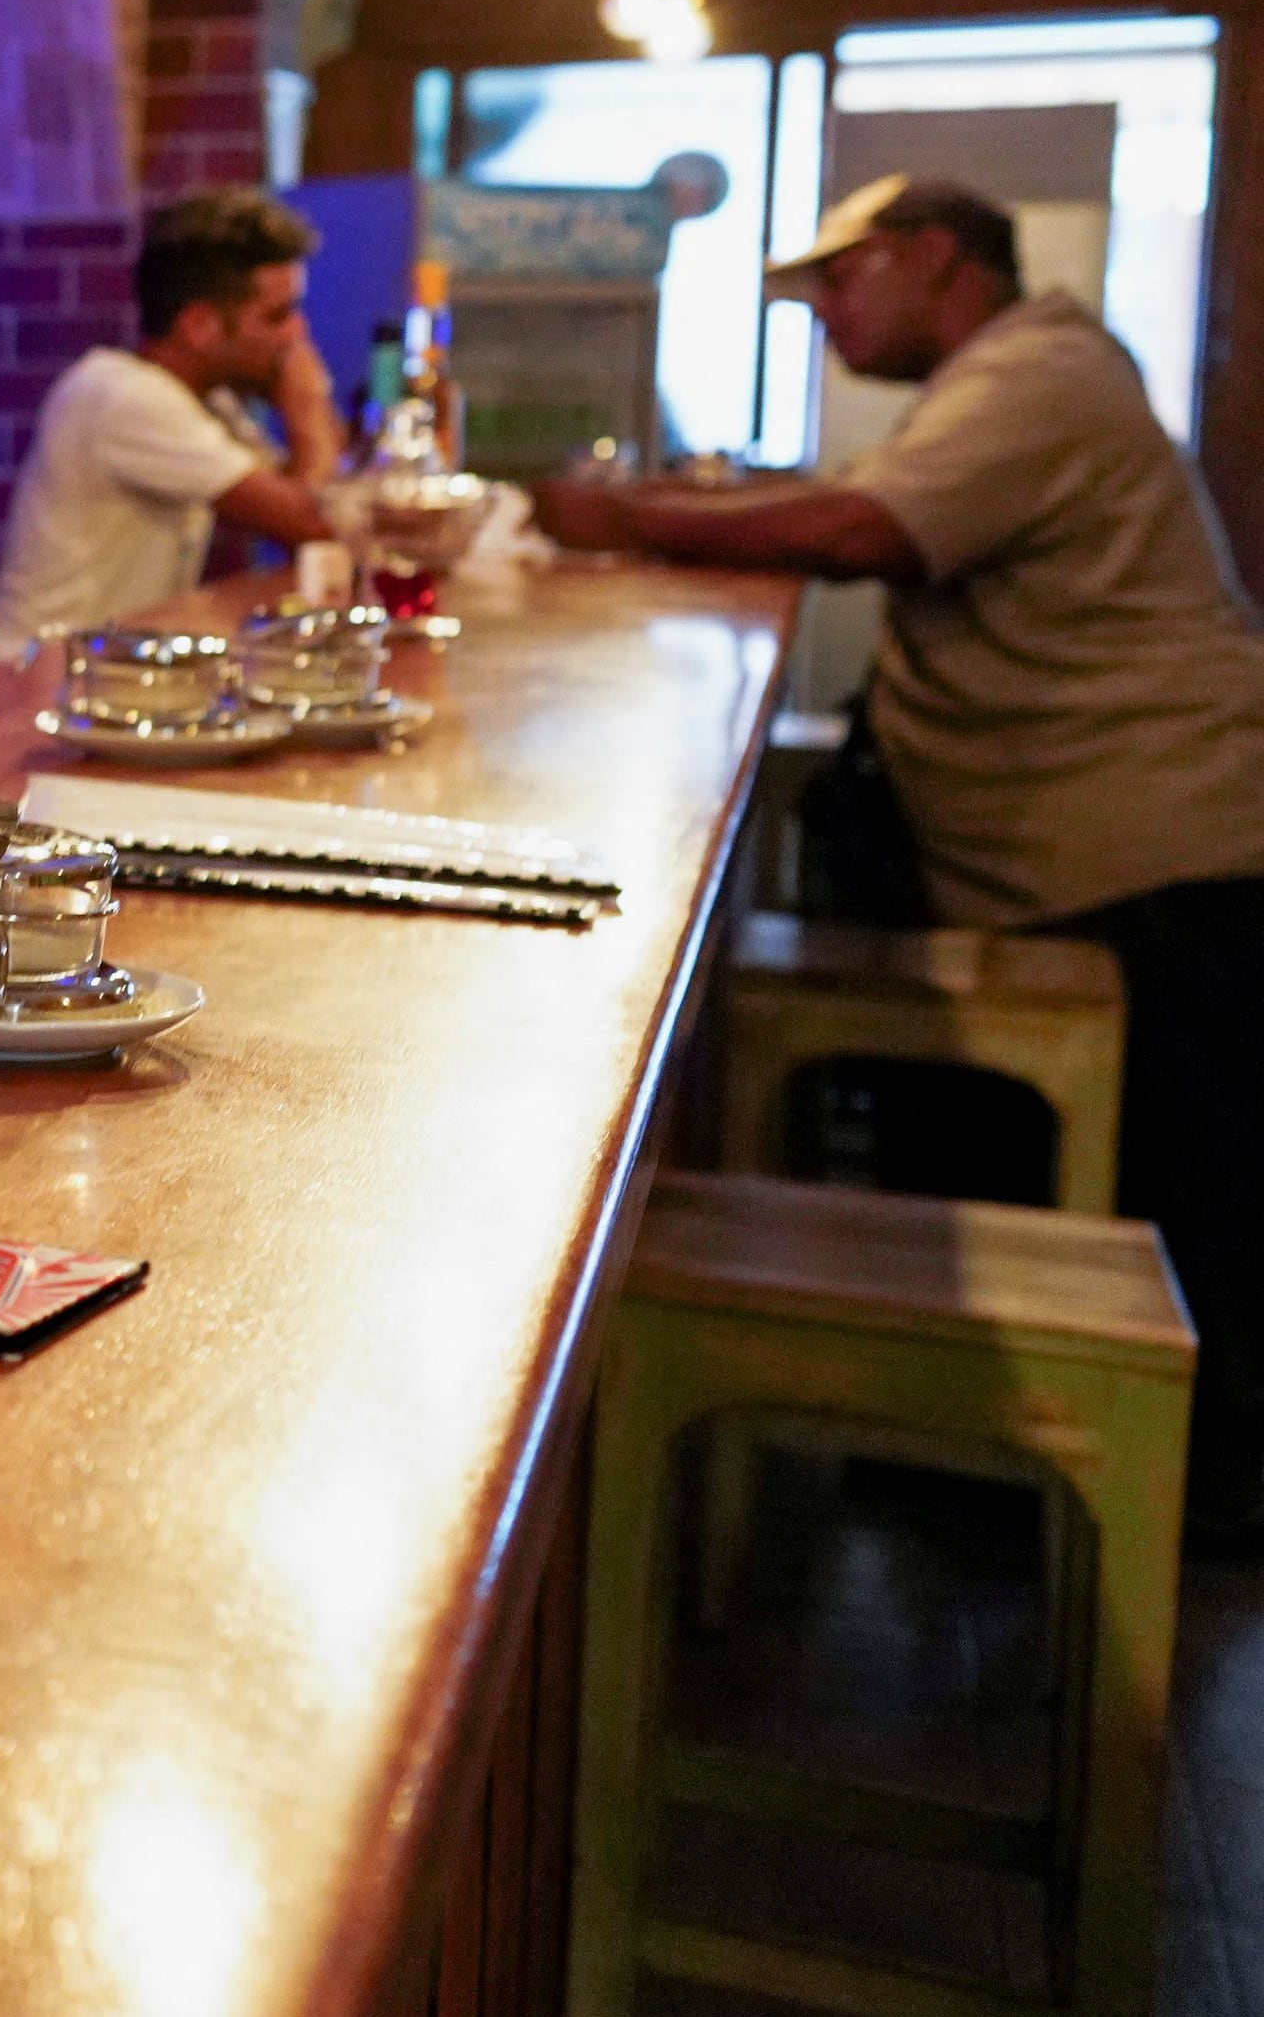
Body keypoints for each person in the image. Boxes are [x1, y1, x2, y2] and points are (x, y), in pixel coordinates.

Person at [538, 173, 1264, 1536]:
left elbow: (855, 528)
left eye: (837, 280)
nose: (821, 314)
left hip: (1153, 837)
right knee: (1163, 1185)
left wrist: (618, 517)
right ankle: (1012, 1495)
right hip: (1097, 843)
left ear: (936, 258)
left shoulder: (1039, 368)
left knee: (1193, 1208)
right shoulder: (1013, 372)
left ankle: (1148, 1534)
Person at [0, 185, 344, 656]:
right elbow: (314, 522)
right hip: (31, 689)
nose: (298, 334)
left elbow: (329, 514)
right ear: (199, 327)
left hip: (102, 680)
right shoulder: (124, 395)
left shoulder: (208, 403)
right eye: (278, 316)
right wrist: (308, 402)